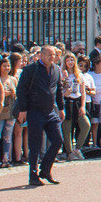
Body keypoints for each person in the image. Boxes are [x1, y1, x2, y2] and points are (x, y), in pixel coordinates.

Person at [13, 46, 63, 186]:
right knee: (35, 145)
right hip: (34, 110)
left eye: (54, 55)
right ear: (41, 55)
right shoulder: (31, 69)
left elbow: (58, 89)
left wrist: (61, 108)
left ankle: (45, 169)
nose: (52, 58)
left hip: (50, 111)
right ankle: (33, 175)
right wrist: (23, 109)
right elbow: (21, 89)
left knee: (58, 140)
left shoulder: (56, 69)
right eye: (49, 55)